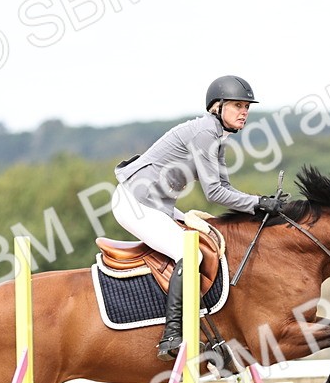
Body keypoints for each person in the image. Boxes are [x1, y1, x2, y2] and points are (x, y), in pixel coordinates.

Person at [112, 75, 288, 360]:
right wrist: (258, 203)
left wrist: (260, 204)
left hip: (158, 205)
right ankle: (171, 334)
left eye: (246, 106)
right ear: (217, 107)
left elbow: (226, 188)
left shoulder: (216, 136)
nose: (244, 112)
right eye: (237, 105)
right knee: (190, 254)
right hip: (136, 203)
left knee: (209, 238)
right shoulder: (205, 134)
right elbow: (215, 193)